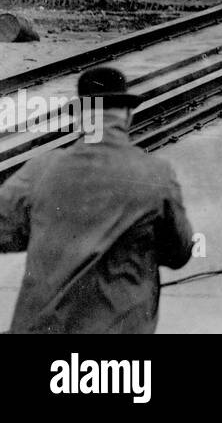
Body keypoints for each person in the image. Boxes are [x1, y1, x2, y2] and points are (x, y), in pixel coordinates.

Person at [0, 66, 194, 334]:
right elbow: (179, 252)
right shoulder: (156, 173)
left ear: (80, 118)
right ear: (127, 116)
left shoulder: (40, 169)